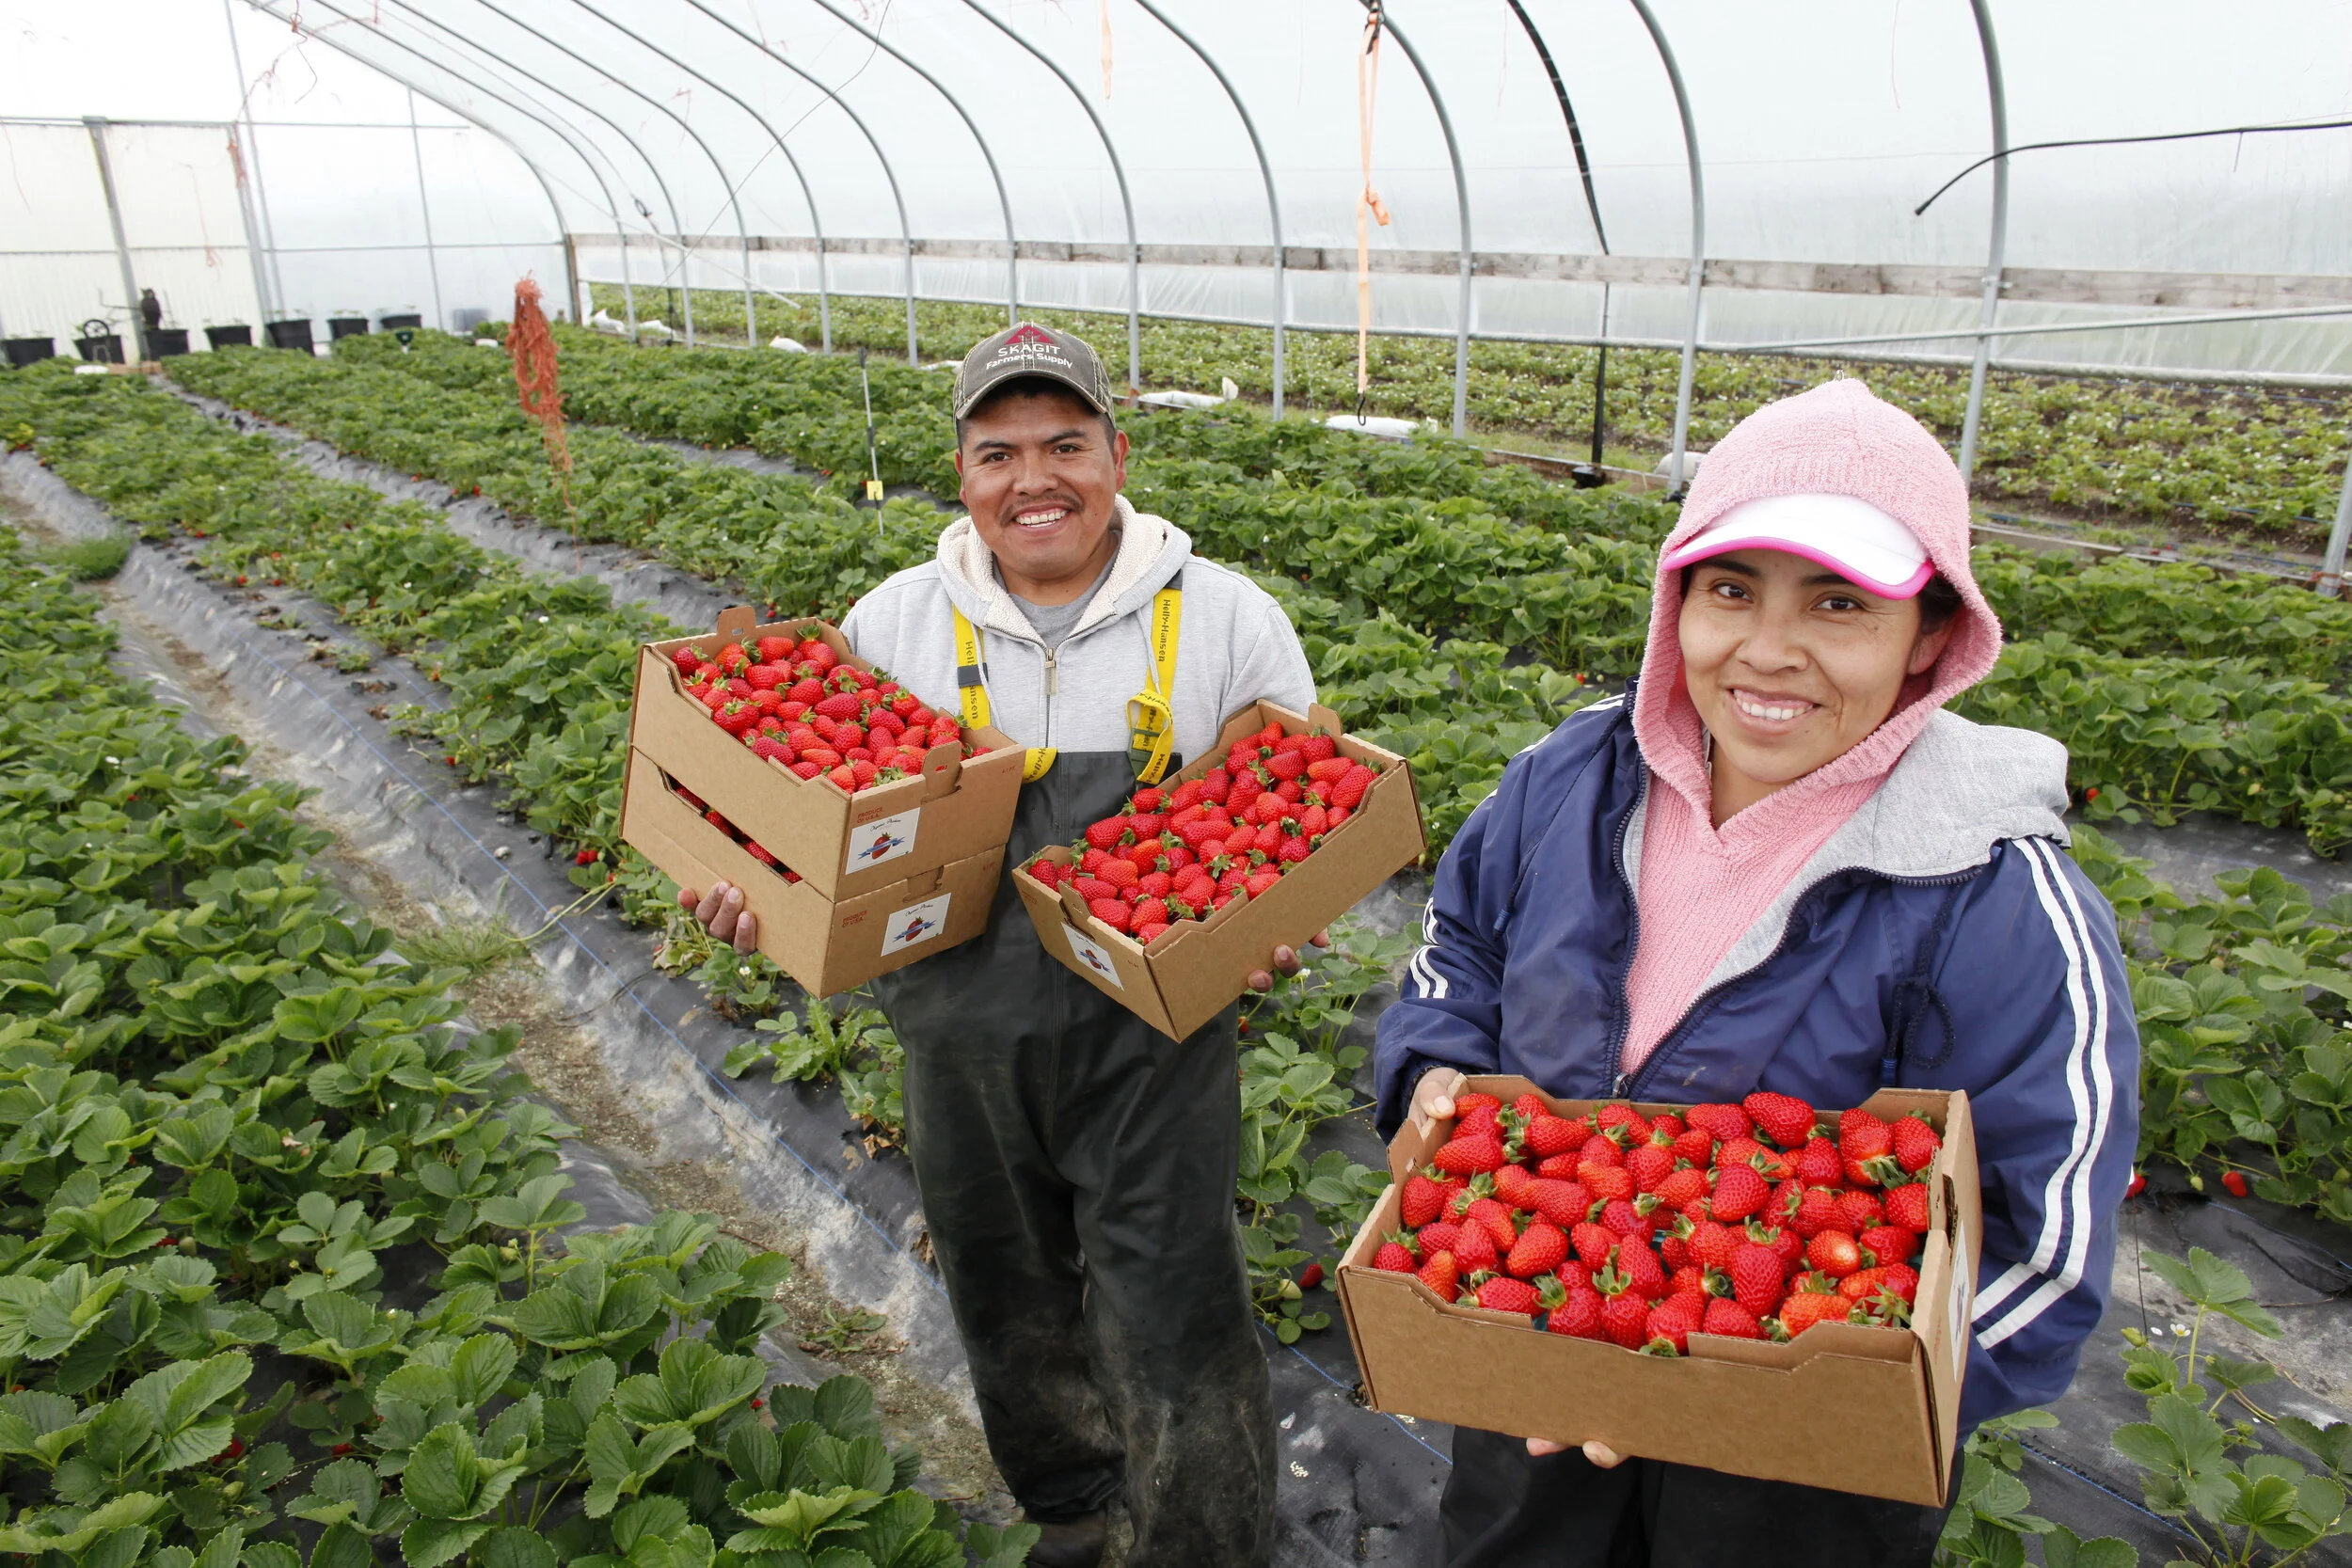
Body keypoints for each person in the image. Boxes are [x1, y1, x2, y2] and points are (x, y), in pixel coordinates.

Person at [1374, 377, 2138, 1568]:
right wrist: (1433, 1070)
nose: (1766, 650)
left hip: (1798, 1474)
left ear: (1932, 633)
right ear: (1674, 594)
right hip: (1528, 1360)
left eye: (1838, 603)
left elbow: (2040, 1250)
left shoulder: (1996, 897)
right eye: (1729, 590)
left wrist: (1799, 1392)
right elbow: (1458, 944)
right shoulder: (1567, 776)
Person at [681, 323, 1316, 1567]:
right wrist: (759, 889)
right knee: (1000, 1288)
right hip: (958, 1038)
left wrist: (1272, 921)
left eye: (1067, 443)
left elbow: (1292, 811)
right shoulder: (893, 628)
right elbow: (808, 818)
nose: (1037, 477)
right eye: (1000, 450)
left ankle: (1204, 1541)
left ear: (1118, 454)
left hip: (1156, 1048)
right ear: (962, 473)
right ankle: (1075, 1512)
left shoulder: (1230, 621)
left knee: (1176, 1304)